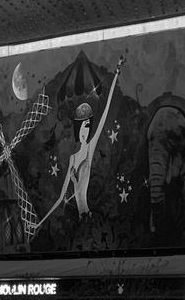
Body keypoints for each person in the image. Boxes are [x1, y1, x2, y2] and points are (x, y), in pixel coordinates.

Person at [31, 56, 124, 232]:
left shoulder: (90, 149)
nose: (85, 131)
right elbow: (60, 199)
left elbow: (104, 115)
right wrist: (39, 223)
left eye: (87, 127)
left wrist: (116, 74)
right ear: (77, 128)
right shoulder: (73, 159)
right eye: (82, 127)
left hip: (89, 217)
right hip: (81, 221)